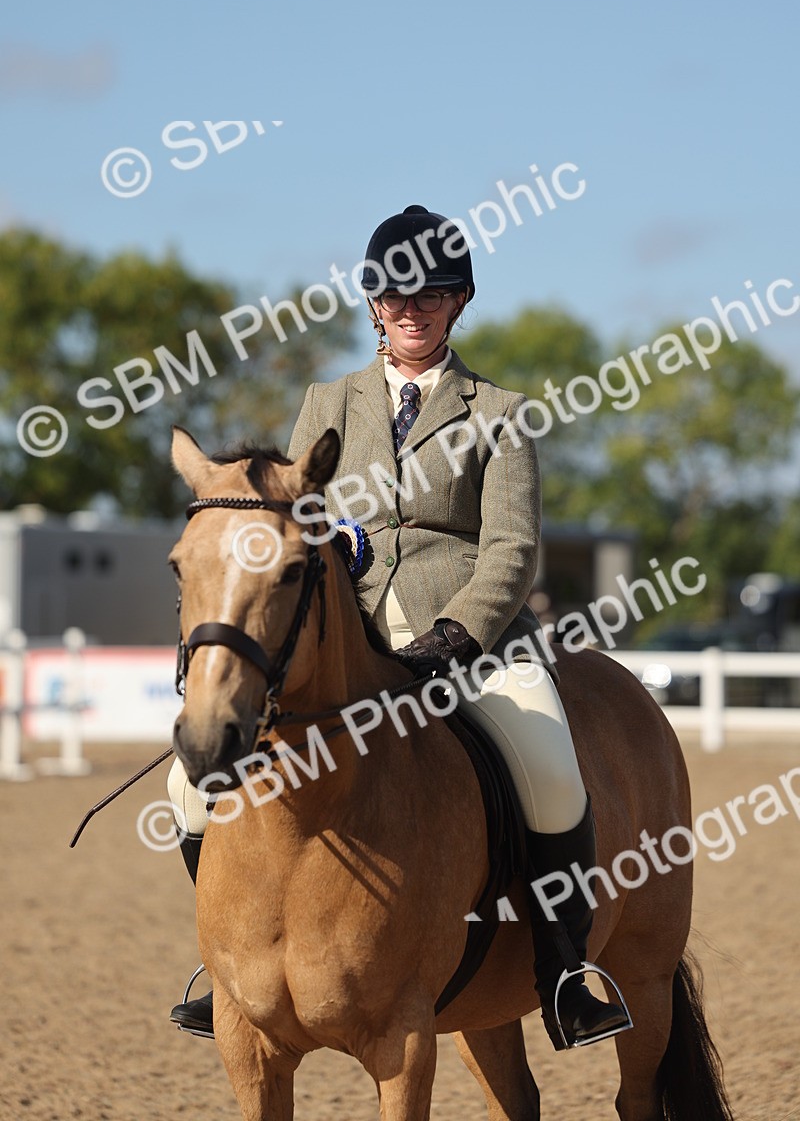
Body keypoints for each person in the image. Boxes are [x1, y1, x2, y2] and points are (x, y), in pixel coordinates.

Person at [168, 205, 629, 1051]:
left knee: (552, 768)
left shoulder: (500, 413)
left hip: (471, 643)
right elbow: (293, 520)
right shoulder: (328, 401)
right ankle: (227, 966)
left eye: (432, 295)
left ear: (458, 304)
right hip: (341, 639)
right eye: (394, 296)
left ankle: (565, 971)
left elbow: (513, 550)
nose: (411, 310)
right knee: (187, 783)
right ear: (373, 305)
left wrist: (457, 636)